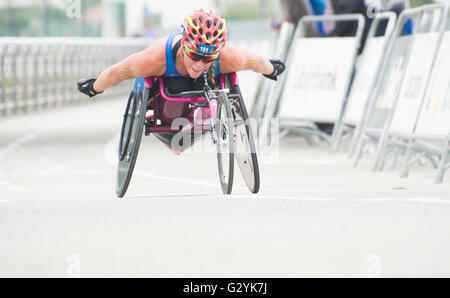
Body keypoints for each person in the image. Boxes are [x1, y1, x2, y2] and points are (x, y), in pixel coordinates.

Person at [78, 9, 286, 98]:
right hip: (168, 94)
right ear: (185, 44)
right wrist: (95, 87)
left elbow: (255, 62)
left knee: (207, 82)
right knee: (176, 86)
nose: (199, 64)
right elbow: (117, 73)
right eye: (195, 56)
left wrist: (271, 68)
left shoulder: (229, 57)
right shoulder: (155, 58)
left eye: (208, 59)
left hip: (204, 92)